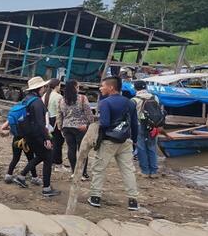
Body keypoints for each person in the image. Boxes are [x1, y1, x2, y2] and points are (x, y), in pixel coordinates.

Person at [88, 76, 140, 211]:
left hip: (108, 141)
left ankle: (95, 197)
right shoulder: (130, 103)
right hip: (126, 141)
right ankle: (133, 200)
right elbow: (134, 124)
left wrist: (96, 124)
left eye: (102, 86)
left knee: (99, 169)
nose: (100, 88)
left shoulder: (105, 103)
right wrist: (134, 140)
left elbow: (104, 123)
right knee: (128, 170)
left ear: (111, 88)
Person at [13, 77, 61, 197]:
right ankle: (46, 188)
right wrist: (47, 139)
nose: (45, 88)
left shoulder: (27, 99)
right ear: (40, 88)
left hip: (28, 134)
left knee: (41, 156)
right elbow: (40, 123)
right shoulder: (37, 102)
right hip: (37, 135)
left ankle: (21, 176)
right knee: (48, 158)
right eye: (44, 86)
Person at [56, 79, 94, 180]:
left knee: (71, 149)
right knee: (82, 150)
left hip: (67, 127)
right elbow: (88, 112)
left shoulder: (62, 100)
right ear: (74, 87)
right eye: (77, 86)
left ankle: (74, 172)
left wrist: (60, 127)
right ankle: (83, 173)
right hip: (80, 127)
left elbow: (59, 114)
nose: (79, 88)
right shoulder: (82, 98)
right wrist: (89, 123)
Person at [131, 80, 160, 179]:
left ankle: (145, 171)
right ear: (146, 87)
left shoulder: (134, 100)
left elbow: (131, 116)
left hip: (140, 125)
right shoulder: (155, 97)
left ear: (135, 88)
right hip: (153, 125)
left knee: (141, 148)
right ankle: (154, 171)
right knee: (152, 147)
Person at [0, 120, 42, 186]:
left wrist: (12, 130)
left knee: (15, 158)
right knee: (31, 159)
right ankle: (34, 177)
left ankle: (8, 176)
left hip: (16, 139)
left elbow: (3, 127)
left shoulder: (16, 113)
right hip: (27, 140)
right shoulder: (28, 114)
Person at [43, 78, 65, 170]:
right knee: (58, 143)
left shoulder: (44, 95)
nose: (60, 87)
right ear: (56, 86)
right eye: (60, 85)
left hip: (47, 120)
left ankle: (49, 161)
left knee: (50, 141)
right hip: (56, 121)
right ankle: (58, 163)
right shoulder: (58, 97)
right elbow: (61, 110)